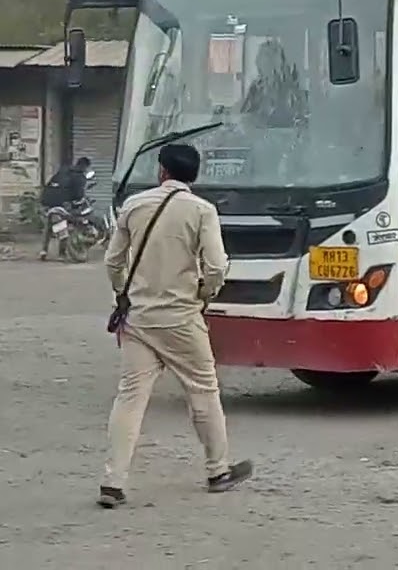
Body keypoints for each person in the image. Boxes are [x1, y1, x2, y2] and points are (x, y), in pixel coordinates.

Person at [98, 143, 252, 508]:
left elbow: (112, 261)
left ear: (162, 171)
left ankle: (113, 482)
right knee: (203, 390)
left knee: (130, 397)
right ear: (192, 175)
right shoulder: (202, 211)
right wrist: (204, 294)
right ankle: (217, 471)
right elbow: (216, 266)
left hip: (138, 319)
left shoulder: (133, 205)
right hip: (182, 318)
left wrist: (124, 292)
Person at [39, 156, 91, 260]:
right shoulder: (79, 176)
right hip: (61, 204)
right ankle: (61, 253)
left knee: (49, 226)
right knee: (64, 226)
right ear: (85, 167)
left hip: (47, 202)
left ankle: (43, 250)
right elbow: (78, 194)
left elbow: (50, 184)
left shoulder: (62, 171)